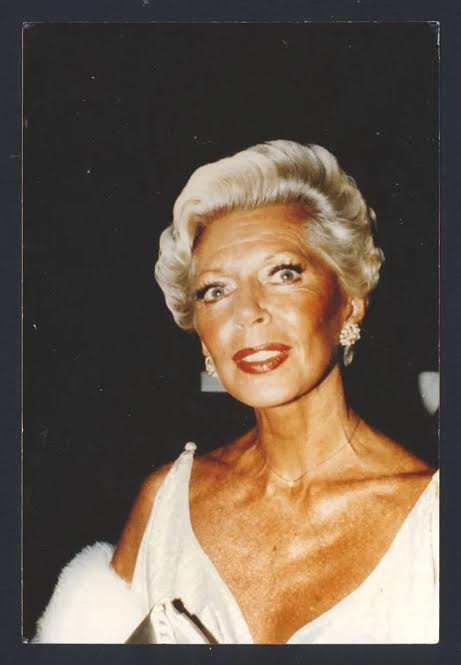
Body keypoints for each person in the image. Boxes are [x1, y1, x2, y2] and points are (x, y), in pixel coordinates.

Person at [34, 140, 438, 644]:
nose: (246, 313)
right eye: (215, 291)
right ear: (202, 334)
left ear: (350, 303)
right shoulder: (164, 503)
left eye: (283, 274)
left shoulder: (434, 525)